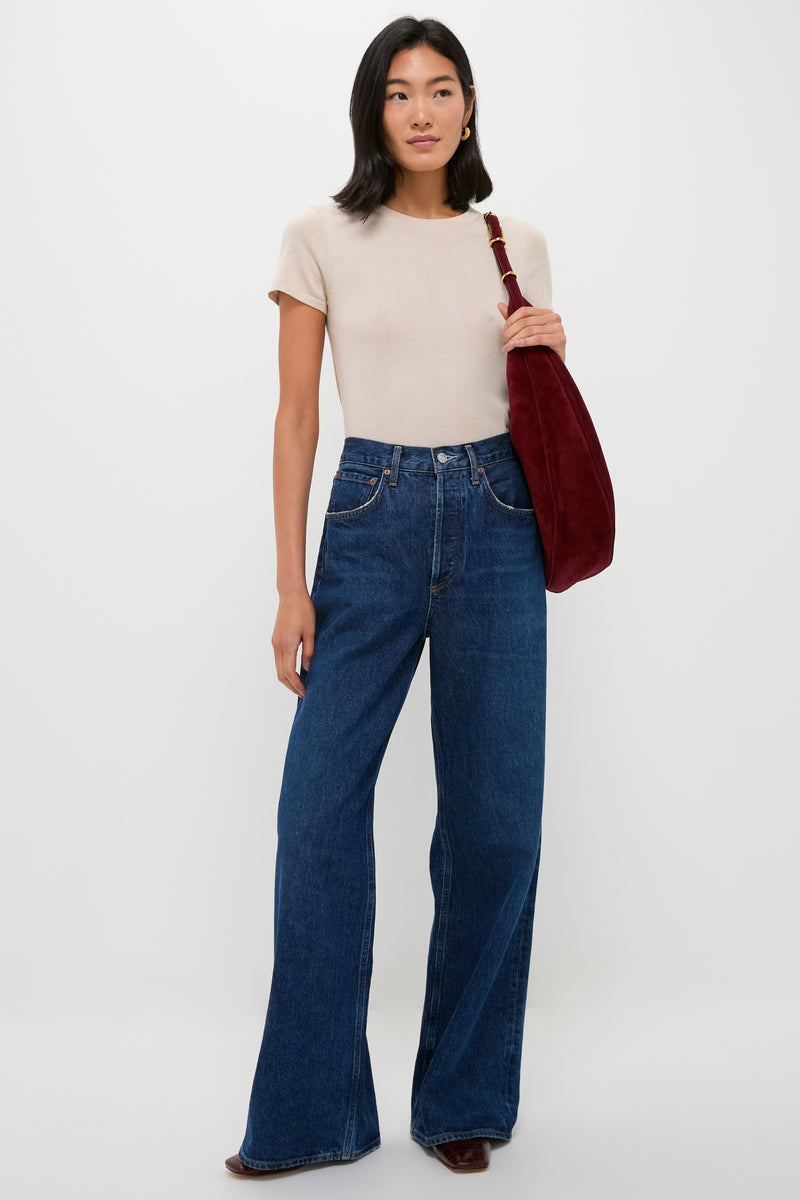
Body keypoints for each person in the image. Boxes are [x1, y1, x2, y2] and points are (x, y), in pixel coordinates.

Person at [225, 14, 566, 1178]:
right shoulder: (319, 234)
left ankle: (462, 1099)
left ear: (468, 109)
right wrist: (290, 586)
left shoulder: (514, 241)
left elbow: (536, 413)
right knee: (316, 814)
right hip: (367, 522)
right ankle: (309, 1116)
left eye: (441, 89)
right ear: (371, 111)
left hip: (498, 518)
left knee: (494, 823)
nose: (420, 110)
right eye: (398, 91)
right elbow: (295, 418)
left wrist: (549, 349)